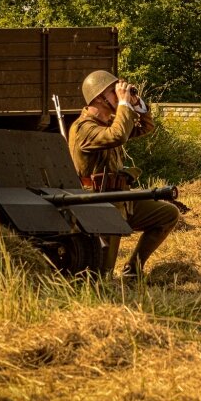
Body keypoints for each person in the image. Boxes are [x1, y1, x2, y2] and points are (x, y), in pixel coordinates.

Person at [68, 70, 179, 279]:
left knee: (168, 215)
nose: (120, 95)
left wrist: (136, 103)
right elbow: (118, 135)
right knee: (103, 274)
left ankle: (133, 270)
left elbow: (145, 127)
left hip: (120, 198)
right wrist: (124, 105)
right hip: (98, 203)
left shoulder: (108, 123)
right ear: (99, 98)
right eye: (114, 92)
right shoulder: (83, 129)